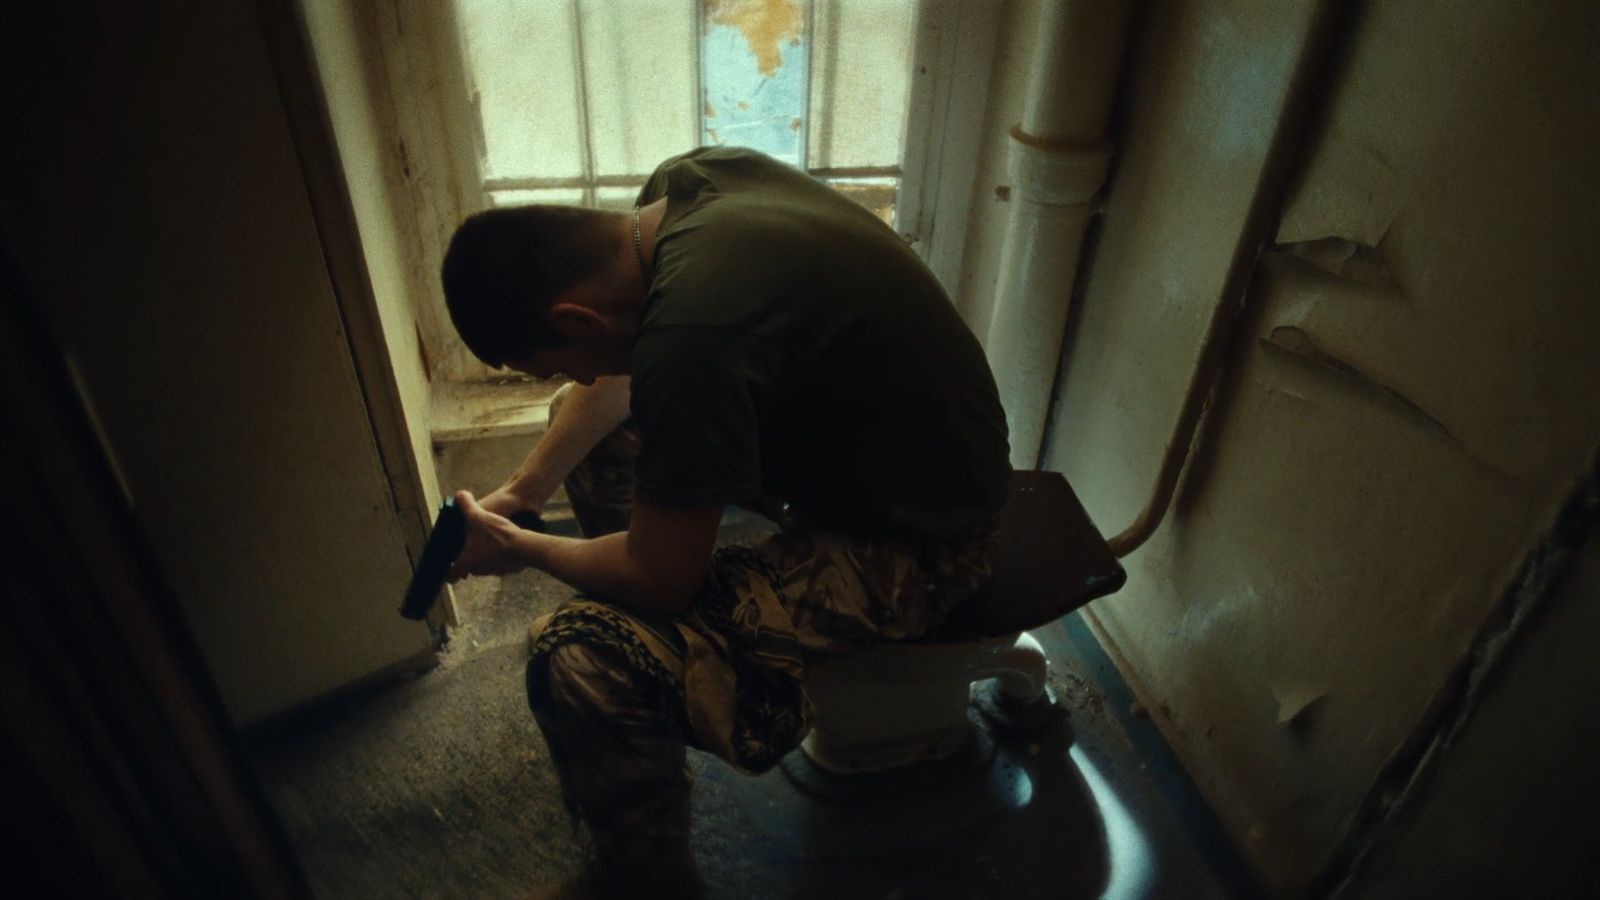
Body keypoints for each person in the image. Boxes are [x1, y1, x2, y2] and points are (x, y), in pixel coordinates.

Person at [440, 146, 1010, 897]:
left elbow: (661, 576)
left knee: (581, 657)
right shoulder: (683, 194)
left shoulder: (693, 330)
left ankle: (652, 878)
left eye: (559, 359)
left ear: (573, 315)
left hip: (924, 539)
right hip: (887, 461)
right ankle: (666, 675)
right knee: (581, 434)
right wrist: (526, 486)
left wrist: (523, 547)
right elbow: (619, 375)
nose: (576, 377)